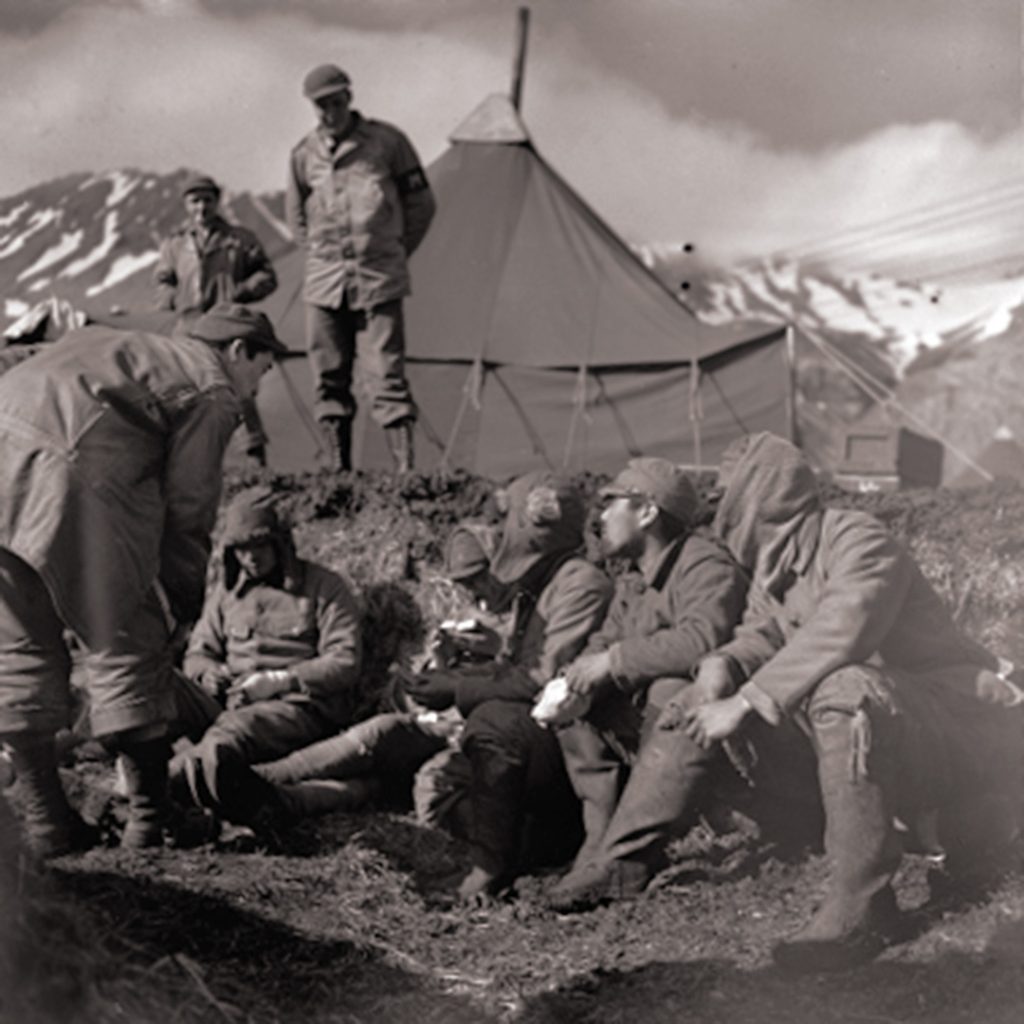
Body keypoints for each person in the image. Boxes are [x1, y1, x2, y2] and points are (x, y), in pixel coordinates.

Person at [683, 432, 1024, 971]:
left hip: (959, 721)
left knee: (844, 688)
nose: (717, 511)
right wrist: (722, 663)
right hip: (906, 725)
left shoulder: (857, 538)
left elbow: (846, 626)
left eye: (724, 495)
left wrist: (748, 700)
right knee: (797, 692)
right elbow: (761, 632)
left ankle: (861, 910)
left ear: (757, 494)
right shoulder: (778, 567)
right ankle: (918, 837)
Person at [0, 303, 285, 854]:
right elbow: (189, 507)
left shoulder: (119, 344)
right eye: (263, 369)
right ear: (238, 351)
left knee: (19, 643)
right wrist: (176, 601)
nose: (258, 386)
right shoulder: (211, 386)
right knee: (127, 634)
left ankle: (46, 821)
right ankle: (153, 819)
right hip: (70, 468)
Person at [544, 457, 748, 911]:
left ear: (648, 512)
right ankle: (599, 849)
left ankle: (628, 863)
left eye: (611, 503)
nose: (600, 517)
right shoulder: (635, 579)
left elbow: (701, 640)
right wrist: (575, 678)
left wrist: (612, 662)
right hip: (658, 740)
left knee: (669, 688)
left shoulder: (704, 565)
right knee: (578, 707)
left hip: (720, 741)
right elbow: (605, 641)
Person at [405, 472, 613, 897]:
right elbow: (514, 665)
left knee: (493, 724)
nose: (501, 533)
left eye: (508, 522)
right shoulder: (541, 584)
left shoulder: (579, 583)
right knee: (439, 782)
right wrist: (453, 675)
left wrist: (458, 690)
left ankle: (491, 867)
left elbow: (542, 677)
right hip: (550, 735)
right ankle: (529, 842)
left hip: (576, 741)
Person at [168, 488, 363, 831]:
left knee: (230, 734)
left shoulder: (324, 587)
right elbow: (198, 653)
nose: (251, 558)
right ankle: (169, 774)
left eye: (259, 546)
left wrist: (280, 681)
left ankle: (162, 788)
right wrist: (208, 673)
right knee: (156, 686)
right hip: (227, 700)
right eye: (241, 549)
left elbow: (345, 661)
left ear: (280, 544)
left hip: (295, 707)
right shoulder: (226, 594)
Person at [286, 63, 436, 473]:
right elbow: (297, 217)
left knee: (386, 376)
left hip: (377, 281)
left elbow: (421, 205)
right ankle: (339, 474)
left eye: (336, 102)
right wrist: (320, 255)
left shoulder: (388, 144)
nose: (329, 112)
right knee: (328, 378)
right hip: (324, 285)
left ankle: (405, 475)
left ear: (349, 98)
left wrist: (393, 252)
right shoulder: (304, 156)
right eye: (321, 106)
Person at [153, 173, 279, 465]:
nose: (201, 208)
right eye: (195, 201)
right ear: (186, 204)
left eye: (207, 200)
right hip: (187, 327)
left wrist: (240, 291)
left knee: (238, 390)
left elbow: (267, 275)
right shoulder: (174, 246)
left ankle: (253, 459)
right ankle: (187, 462)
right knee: (185, 393)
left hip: (228, 327)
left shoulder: (240, 240)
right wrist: (174, 298)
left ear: (217, 202)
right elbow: (162, 282)